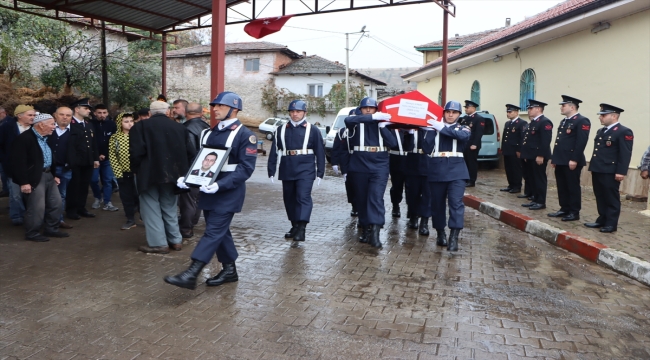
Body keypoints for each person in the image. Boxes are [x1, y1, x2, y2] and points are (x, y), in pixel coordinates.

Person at [165, 91, 257, 289]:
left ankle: (192, 273)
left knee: (214, 231)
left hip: (228, 191)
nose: (215, 109)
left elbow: (245, 169)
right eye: (214, 106)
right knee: (221, 232)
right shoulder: (209, 132)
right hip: (208, 190)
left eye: (220, 106)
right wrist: (188, 179)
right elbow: (200, 161)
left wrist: (219, 185)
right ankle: (230, 270)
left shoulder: (245, 135)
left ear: (234, 109)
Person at [130, 100, 193, 253]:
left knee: (150, 207)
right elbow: (190, 152)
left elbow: (136, 152)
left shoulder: (140, 127)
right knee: (169, 205)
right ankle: (175, 240)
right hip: (173, 174)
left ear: (150, 113)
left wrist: (135, 169)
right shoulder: (180, 128)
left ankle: (158, 243)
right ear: (167, 112)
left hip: (148, 173)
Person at [268, 100, 325, 245]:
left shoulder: (313, 130)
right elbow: (274, 151)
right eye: (292, 112)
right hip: (287, 166)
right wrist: (271, 170)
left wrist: (320, 171)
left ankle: (302, 227)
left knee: (302, 197)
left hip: (306, 167)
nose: (295, 114)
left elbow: (320, 151)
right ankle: (294, 225)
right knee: (289, 198)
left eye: (298, 111)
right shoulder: (281, 129)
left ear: (305, 113)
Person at [344, 97, 397, 248]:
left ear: (376, 109)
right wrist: (372, 118)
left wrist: (382, 127)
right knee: (361, 199)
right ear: (360, 110)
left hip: (379, 164)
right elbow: (348, 121)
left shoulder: (383, 123)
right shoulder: (354, 122)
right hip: (359, 164)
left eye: (371, 108)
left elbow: (393, 144)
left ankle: (375, 231)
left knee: (375, 197)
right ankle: (365, 228)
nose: (368, 110)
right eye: (365, 108)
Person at [421, 101, 471, 251]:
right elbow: (426, 148)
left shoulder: (463, 128)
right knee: (437, 204)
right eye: (448, 112)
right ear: (443, 113)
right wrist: (428, 131)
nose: (450, 114)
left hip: (457, 170)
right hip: (437, 169)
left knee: (456, 203)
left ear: (458, 115)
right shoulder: (434, 128)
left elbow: (462, 137)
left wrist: (440, 127)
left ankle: (454, 236)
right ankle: (440, 232)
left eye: (454, 112)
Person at [11, 113, 68, 241]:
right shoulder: (24, 139)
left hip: (48, 175)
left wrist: (53, 175)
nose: (54, 127)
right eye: (52, 124)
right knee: (37, 207)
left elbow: (49, 158)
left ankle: (51, 229)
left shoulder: (47, 138)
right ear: (41, 125)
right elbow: (18, 163)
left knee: (56, 203)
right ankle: (32, 233)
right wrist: (24, 182)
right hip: (34, 177)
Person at [584, 103, 634, 233]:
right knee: (600, 196)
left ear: (614, 116)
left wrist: (621, 172)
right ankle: (602, 219)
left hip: (611, 171)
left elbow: (625, 153)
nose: (600, 117)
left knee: (611, 198)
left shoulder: (624, 131)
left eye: (603, 115)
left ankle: (611, 224)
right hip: (598, 168)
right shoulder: (601, 131)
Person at [548, 95, 590, 221]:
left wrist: (574, 159)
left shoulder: (582, 121)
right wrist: (555, 159)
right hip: (561, 159)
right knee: (562, 186)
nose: (561, 107)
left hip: (571, 160)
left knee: (572, 186)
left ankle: (574, 212)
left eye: (563, 105)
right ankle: (564, 208)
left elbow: (581, 142)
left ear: (572, 107)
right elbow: (559, 142)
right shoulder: (564, 121)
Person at [179, 102, 210, 238]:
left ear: (186, 113)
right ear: (201, 113)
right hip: (206, 168)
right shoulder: (208, 128)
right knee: (197, 199)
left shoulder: (185, 129)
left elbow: (189, 151)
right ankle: (192, 222)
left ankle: (186, 228)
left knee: (188, 201)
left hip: (190, 168)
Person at [0, 104, 35, 225]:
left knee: (31, 194)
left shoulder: (35, 128)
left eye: (34, 115)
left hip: (31, 167)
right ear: (19, 116)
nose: (33, 117)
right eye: (30, 115)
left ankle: (30, 215)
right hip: (12, 167)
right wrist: (5, 160)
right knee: (15, 194)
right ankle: (16, 216)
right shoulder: (7, 127)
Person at [67, 98, 99, 220]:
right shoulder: (70, 124)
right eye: (86, 108)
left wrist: (95, 158)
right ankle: (71, 210)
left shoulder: (88, 124)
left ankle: (81, 208)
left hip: (88, 160)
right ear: (77, 109)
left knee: (84, 186)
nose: (88, 111)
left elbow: (93, 143)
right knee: (74, 186)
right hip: (75, 162)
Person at [47, 107, 78, 230]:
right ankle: (44, 220)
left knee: (61, 196)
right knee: (43, 196)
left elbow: (81, 151)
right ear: (55, 115)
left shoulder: (76, 132)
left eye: (68, 115)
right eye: (62, 114)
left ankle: (58, 220)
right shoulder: (47, 129)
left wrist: (71, 164)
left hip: (65, 170)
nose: (65, 117)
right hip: (46, 170)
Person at [109, 112, 140, 230]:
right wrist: (118, 173)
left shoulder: (139, 135)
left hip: (138, 173)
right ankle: (130, 219)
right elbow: (113, 156)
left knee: (140, 195)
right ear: (120, 123)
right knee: (126, 197)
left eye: (131, 121)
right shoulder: (115, 138)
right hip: (123, 173)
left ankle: (144, 216)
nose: (129, 124)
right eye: (126, 122)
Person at [520, 99, 553, 210]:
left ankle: (541, 201)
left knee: (539, 179)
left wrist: (541, 155)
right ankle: (535, 199)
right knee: (533, 178)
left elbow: (545, 141)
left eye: (531, 108)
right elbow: (528, 140)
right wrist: (526, 155)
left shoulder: (545, 122)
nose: (528, 110)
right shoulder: (533, 122)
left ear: (538, 109)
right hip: (530, 156)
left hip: (538, 156)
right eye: (528, 109)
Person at [89, 104, 118, 212]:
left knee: (107, 180)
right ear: (95, 113)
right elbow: (90, 142)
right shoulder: (90, 124)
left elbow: (113, 141)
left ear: (107, 113)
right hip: (93, 158)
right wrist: (96, 155)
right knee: (93, 180)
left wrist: (105, 154)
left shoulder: (111, 125)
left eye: (104, 112)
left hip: (108, 158)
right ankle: (97, 197)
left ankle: (107, 202)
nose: (102, 115)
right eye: (99, 113)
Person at [404, 128, 431, 236]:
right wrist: (409, 133)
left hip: (429, 164)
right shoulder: (410, 129)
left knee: (427, 196)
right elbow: (407, 147)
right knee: (412, 194)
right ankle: (413, 216)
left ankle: (424, 222)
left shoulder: (431, 129)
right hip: (413, 163)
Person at [331, 108, 358, 217]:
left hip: (359, 159)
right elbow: (336, 148)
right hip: (346, 160)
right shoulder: (342, 131)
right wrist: (334, 162)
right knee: (350, 184)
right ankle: (354, 206)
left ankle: (361, 206)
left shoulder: (361, 131)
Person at [500, 104, 528, 194]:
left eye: (510, 112)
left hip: (515, 151)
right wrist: (503, 148)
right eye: (507, 112)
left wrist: (519, 150)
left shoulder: (522, 123)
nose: (508, 114)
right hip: (507, 150)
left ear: (516, 112)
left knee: (516, 169)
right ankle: (511, 185)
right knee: (508, 168)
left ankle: (517, 186)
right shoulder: (508, 123)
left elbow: (522, 138)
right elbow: (505, 137)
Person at [459, 100, 484, 187]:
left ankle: (471, 180)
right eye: (465, 107)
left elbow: (478, 133)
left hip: (472, 145)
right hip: (464, 144)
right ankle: (465, 178)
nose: (466, 109)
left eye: (467, 107)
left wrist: (475, 144)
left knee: (471, 163)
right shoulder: (465, 118)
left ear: (473, 108)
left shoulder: (479, 118)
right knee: (465, 162)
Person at [388, 127, 408, 218]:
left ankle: (411, 209)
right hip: (396, 160)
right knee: (396, 185)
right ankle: (395, 205)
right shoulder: (393, 128)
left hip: (412, 159)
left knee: (412, 187)